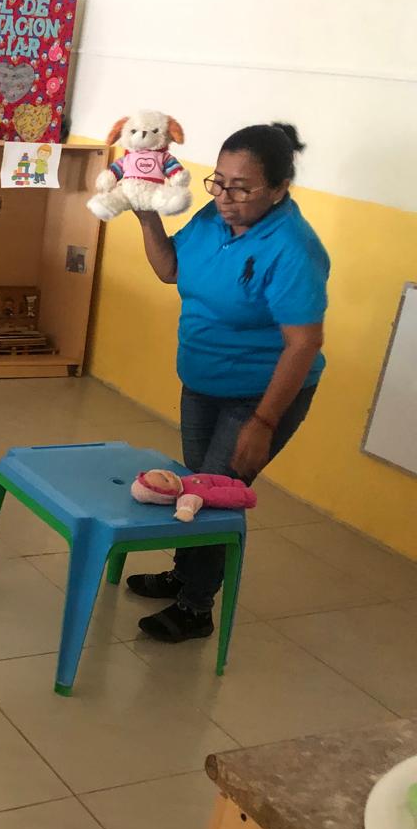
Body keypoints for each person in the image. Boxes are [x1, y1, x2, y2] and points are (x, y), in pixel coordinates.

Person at [127, 123, 329, 642]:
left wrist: (264, 421)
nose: (224, 197)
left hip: (260, 394)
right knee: (195, 485)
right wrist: (146, 214)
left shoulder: (292, 248)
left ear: (279, 189)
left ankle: (196, 608)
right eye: (218, 182)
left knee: (213, 495)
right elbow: (170, 269)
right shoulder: (214, 217)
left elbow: (304, 343)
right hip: (202, 382)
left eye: (241, 188)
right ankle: (184, 574)